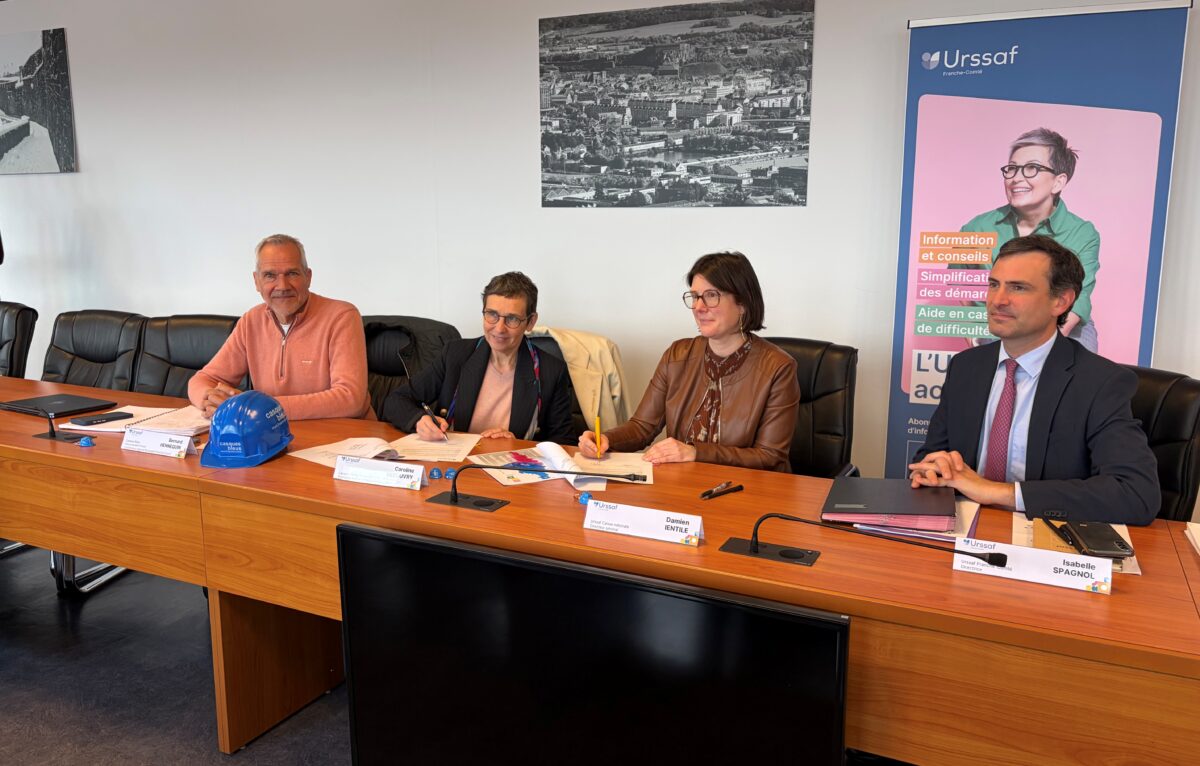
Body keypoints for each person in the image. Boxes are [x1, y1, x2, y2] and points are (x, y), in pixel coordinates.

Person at [909, 235, 1158, 525]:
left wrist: (996, 492)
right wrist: (931, 469)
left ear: (1061, 301)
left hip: (1047, 542)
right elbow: (932, 454)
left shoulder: (1101, 382)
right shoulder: (966, 366)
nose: (998, 300)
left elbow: (1135, 494)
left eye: (1018, 287)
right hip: (964, 535)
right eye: (994, 284)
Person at [578, 251, 799, 472]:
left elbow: (769, 456)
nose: (698, 307)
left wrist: (695, 452)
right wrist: (605, 439)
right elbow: (642, 427)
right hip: (685, 484)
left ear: (742, 303)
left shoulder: (778, 367)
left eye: (711, 295)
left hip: (746, 491)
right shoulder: (677, 355)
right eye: (694, 296)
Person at [188, 234, 373, 421]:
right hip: (273, 435)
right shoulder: (251, 321)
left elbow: (350, 399)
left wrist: (257, 409)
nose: (282, 286)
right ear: (256, 281)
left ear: (308, 277)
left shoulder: (341, 316)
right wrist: (209, 399)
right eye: (270, 275)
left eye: (292, 273)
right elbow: (201, 380)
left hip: (345, 438)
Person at [381, 272, 574, 443]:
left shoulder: (551, 371)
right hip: (456, 465)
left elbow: (563, 441)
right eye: (492, 315)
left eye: (512, 319)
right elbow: (396, 400)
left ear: (530, 322)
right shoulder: (456, 355)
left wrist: (519, 446)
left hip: (512, 470)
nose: (499, 328)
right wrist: (418, 420)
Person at [961, 128, 1100, 351]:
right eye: (1012, 168)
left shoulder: (1082, 233)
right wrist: (969, 331)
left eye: (1031, 168)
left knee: (1076, 367)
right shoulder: (977, 227)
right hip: (999, 319)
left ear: (1058, 182)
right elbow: (960, 284)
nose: (1016, 178)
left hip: (1059, 324)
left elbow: (1079, 298)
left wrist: (1042, 349)